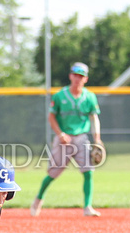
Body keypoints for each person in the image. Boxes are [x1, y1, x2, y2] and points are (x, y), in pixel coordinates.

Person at [31, 62, 102, 217]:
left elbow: (93, 117)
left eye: (81, 76)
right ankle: (38, 199)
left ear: (86, 79)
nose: (78, 78)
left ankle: (87, 207)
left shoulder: (89, 97)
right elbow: (51, 116)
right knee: (53, 173)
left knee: (88, 172)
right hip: (63, 139)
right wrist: (60, 133)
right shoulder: (60, 95)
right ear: (70, 76)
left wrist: (97, 139)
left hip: (82, 138)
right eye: (75, 75)